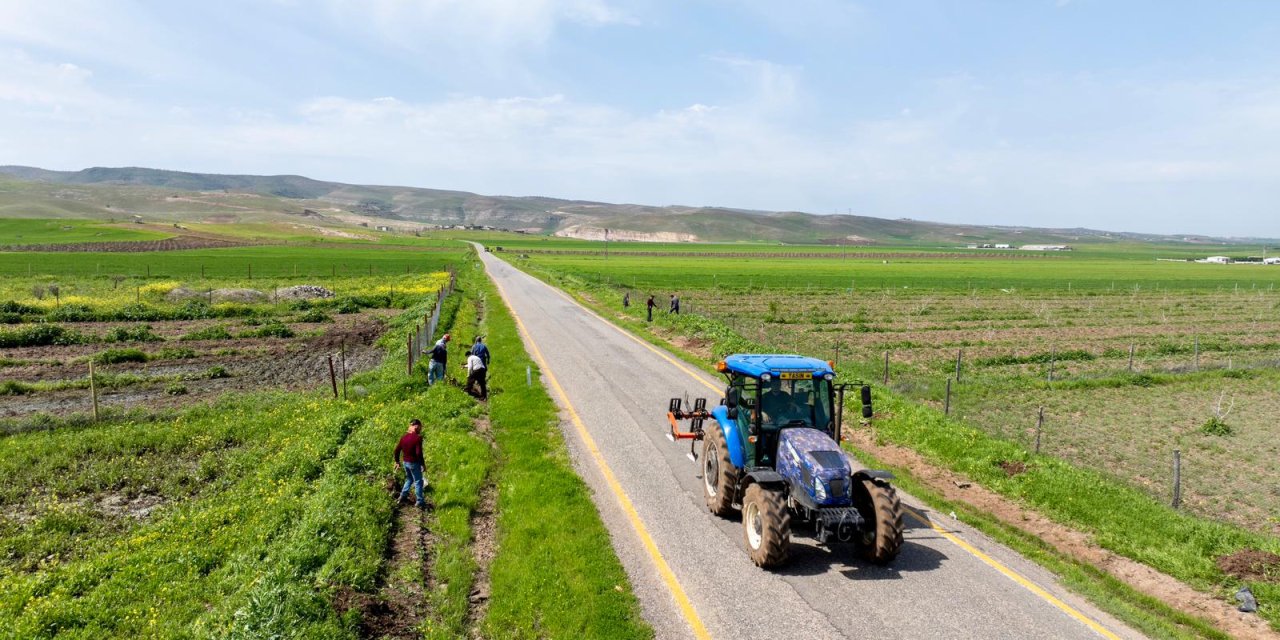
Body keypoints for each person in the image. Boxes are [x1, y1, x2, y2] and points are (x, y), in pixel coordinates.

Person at [394, 419, 427, 508]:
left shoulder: (403, 437)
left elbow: (396, 450)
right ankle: (420, 501)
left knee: (409, 479)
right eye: (420, 427)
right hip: (414, 463)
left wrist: (397, 462)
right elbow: (418, 453)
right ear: (416, 426)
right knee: (418, 482)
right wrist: (422, 464)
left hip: (405, 463)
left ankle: (402, 496)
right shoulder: (417, 438)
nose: (421, 429)